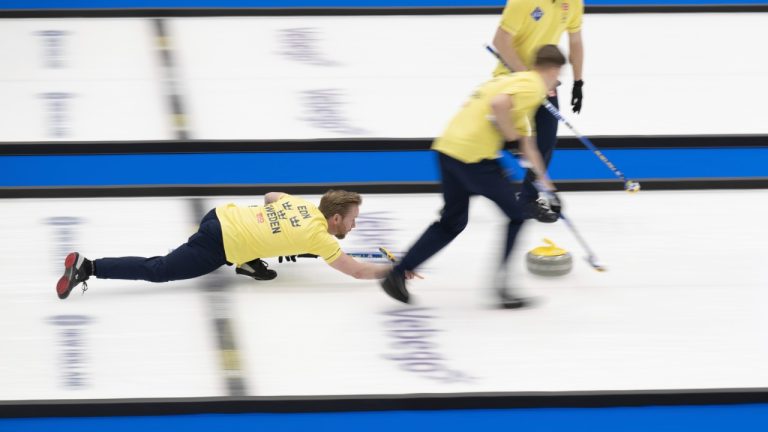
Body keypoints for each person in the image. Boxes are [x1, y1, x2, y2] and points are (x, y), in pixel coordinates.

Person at [380, 45, 566, 309]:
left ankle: (397, 274)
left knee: (451, 222)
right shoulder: (532, 85)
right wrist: (510, 138)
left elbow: (528, 146)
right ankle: (503, 289)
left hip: (448, 149)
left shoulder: (510, 81)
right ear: (552, 70)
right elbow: (499, 106)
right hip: (473, 158)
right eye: (558, 75)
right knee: (517, 215)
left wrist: (549, 189)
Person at [56, 190, 413, 299]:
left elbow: (271, 196)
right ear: (335, 219)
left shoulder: (305, 206)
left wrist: (271, 230)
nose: (355, 224)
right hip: (219, 243)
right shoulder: (319, 238)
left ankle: (247, 261)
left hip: (221, 215)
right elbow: (355, 270)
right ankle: (88, 266)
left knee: (281, 242)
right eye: (352, 219)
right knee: (160, 270)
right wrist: (394, 270)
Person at [492, 0, 584, 222]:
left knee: (545, 139)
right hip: (512, 77)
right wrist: (528, 78)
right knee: (508, 134)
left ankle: (528, 199)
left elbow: (576, 41)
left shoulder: (573, 3)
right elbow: (501, 41)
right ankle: (490, 159)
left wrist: (578, 82)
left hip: (544, 80)